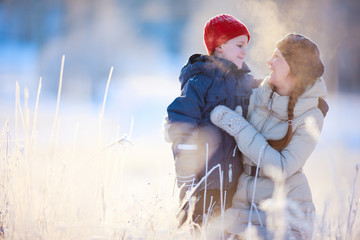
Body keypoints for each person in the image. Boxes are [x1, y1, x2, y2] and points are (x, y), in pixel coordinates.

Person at [209, 33, 328, 239]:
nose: (269, 62)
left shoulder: (311, 115)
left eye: (277, 57)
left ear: (294, 67)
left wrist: (240, 128)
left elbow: (281, 168)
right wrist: (181, 124)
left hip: (285, 211)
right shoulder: (259, 95)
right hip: (244, 203)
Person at [165, 14, 260, 225]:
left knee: (229, 231)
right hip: (202, 182)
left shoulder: (244, 82)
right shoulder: (200, 81)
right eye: (239, 45)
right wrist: (187, 172)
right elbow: (182, 122)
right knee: (199, 229)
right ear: (219, 46)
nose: (245, 51)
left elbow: (269, 92)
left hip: (235, 182)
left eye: (246, 46)